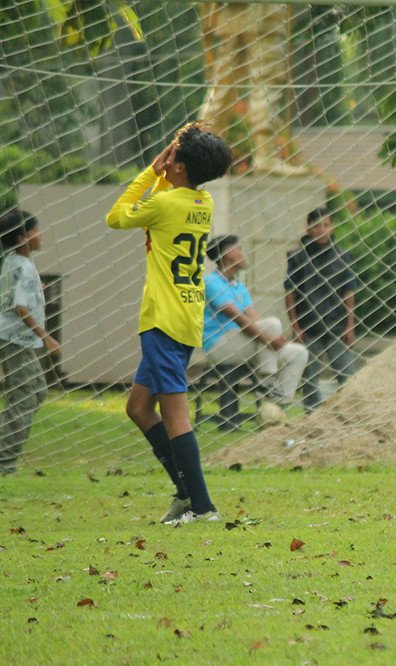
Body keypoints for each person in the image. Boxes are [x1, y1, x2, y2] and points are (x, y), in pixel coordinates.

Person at [106, 123, 232, 524]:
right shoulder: (202, 202)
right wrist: (166, 176)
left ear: (177, 167)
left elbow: (116, 217)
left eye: (172, 154)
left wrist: (149, 173)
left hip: (162, 318)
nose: (167, 158)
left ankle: (202, 506)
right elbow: (160, 207)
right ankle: (184, 492)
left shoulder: (164, 202)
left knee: (175, 413)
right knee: (139, 407)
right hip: (186, 314)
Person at [203, 234, 308, 425]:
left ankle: (275, 408)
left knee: (299, 353)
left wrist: (273, 337)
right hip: (219, 345)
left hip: (245, 344)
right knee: (272, 325)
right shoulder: (211, 282)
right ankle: (266, 382)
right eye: (239, 249)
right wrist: (270, 336)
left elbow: (256, 320)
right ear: (229, 254)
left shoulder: (239, 286)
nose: (243, 254)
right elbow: (240, 319)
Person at [198, 2, 309, 176]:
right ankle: (266, 154)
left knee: (223, 85)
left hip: (229, 12)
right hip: (265, 12)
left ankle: (203, 151)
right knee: (267, 81)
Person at [0, 209, 60, 474]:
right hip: (16, 340)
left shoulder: (14, 261)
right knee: (25, 395)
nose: (40, 235)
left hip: (15, 340)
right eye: (35, 230)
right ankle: (5, 463)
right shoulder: (20, 266)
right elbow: (20, 308)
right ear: (22, 237)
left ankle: (6, 453)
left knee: (36, 390)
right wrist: (46, 337)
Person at [284, 207, 358, 413]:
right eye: (316, 226)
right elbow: (290, 292)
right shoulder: (297, 258)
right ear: (308, 229)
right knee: (309, 379)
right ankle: (312, 417)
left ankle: (351, 413)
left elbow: (349, 291)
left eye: (326, 224)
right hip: (309, 328)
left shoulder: (343, 256)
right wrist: (295, 326)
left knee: (348, 375)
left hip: (337, 326)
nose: (322, 230)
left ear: (332, 227)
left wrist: (350, 325)